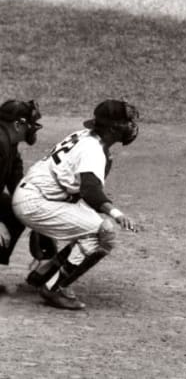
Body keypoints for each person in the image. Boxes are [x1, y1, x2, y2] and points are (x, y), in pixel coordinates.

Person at [12, 99, 139, 310]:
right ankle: (53, 288)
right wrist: (116, 214)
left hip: (37, 197)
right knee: (103, 233)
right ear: (113, 127)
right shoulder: (93, 150)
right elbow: (90, 190)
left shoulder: (87, 137)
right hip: (36, 202)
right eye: (126, 122)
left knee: (91, 224)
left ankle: (44, 274)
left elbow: (82, 192)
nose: (130, 126)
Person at [0, 100, 43, 268]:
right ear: (18, 124)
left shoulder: (10, 142)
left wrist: (36, 210)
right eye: (29, 124)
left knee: (18, 211)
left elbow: (16, 183)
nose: (32, 128)